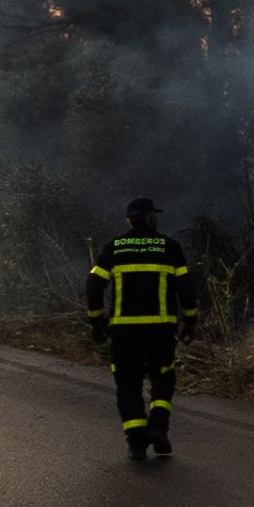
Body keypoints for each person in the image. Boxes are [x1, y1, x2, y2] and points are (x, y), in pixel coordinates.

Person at [85, 197, 194, 460]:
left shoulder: (115, 247)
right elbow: (186, 287)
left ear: (129, 221)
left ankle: (136, 442)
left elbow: (93, 284)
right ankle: (158, 426)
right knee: (164, 377)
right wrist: (191, 320)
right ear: (151, 218)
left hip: (124, 332)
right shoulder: (170, 247)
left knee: (128, 384)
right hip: (161, 330)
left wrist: (96, 321)